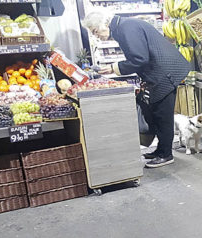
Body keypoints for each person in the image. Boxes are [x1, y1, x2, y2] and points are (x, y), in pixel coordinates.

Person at [82, 11, 191, 168]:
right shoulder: (122, 27)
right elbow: (139, 56)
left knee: (162, 114)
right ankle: (161, 149)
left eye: (95, 31)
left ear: (103, 24)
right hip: (160, 71)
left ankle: (166, 155)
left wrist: (114, 68)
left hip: (166, 72)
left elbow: (140, 59)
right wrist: (115, 68)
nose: (96, 36)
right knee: (155, 111)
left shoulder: (126, 28)